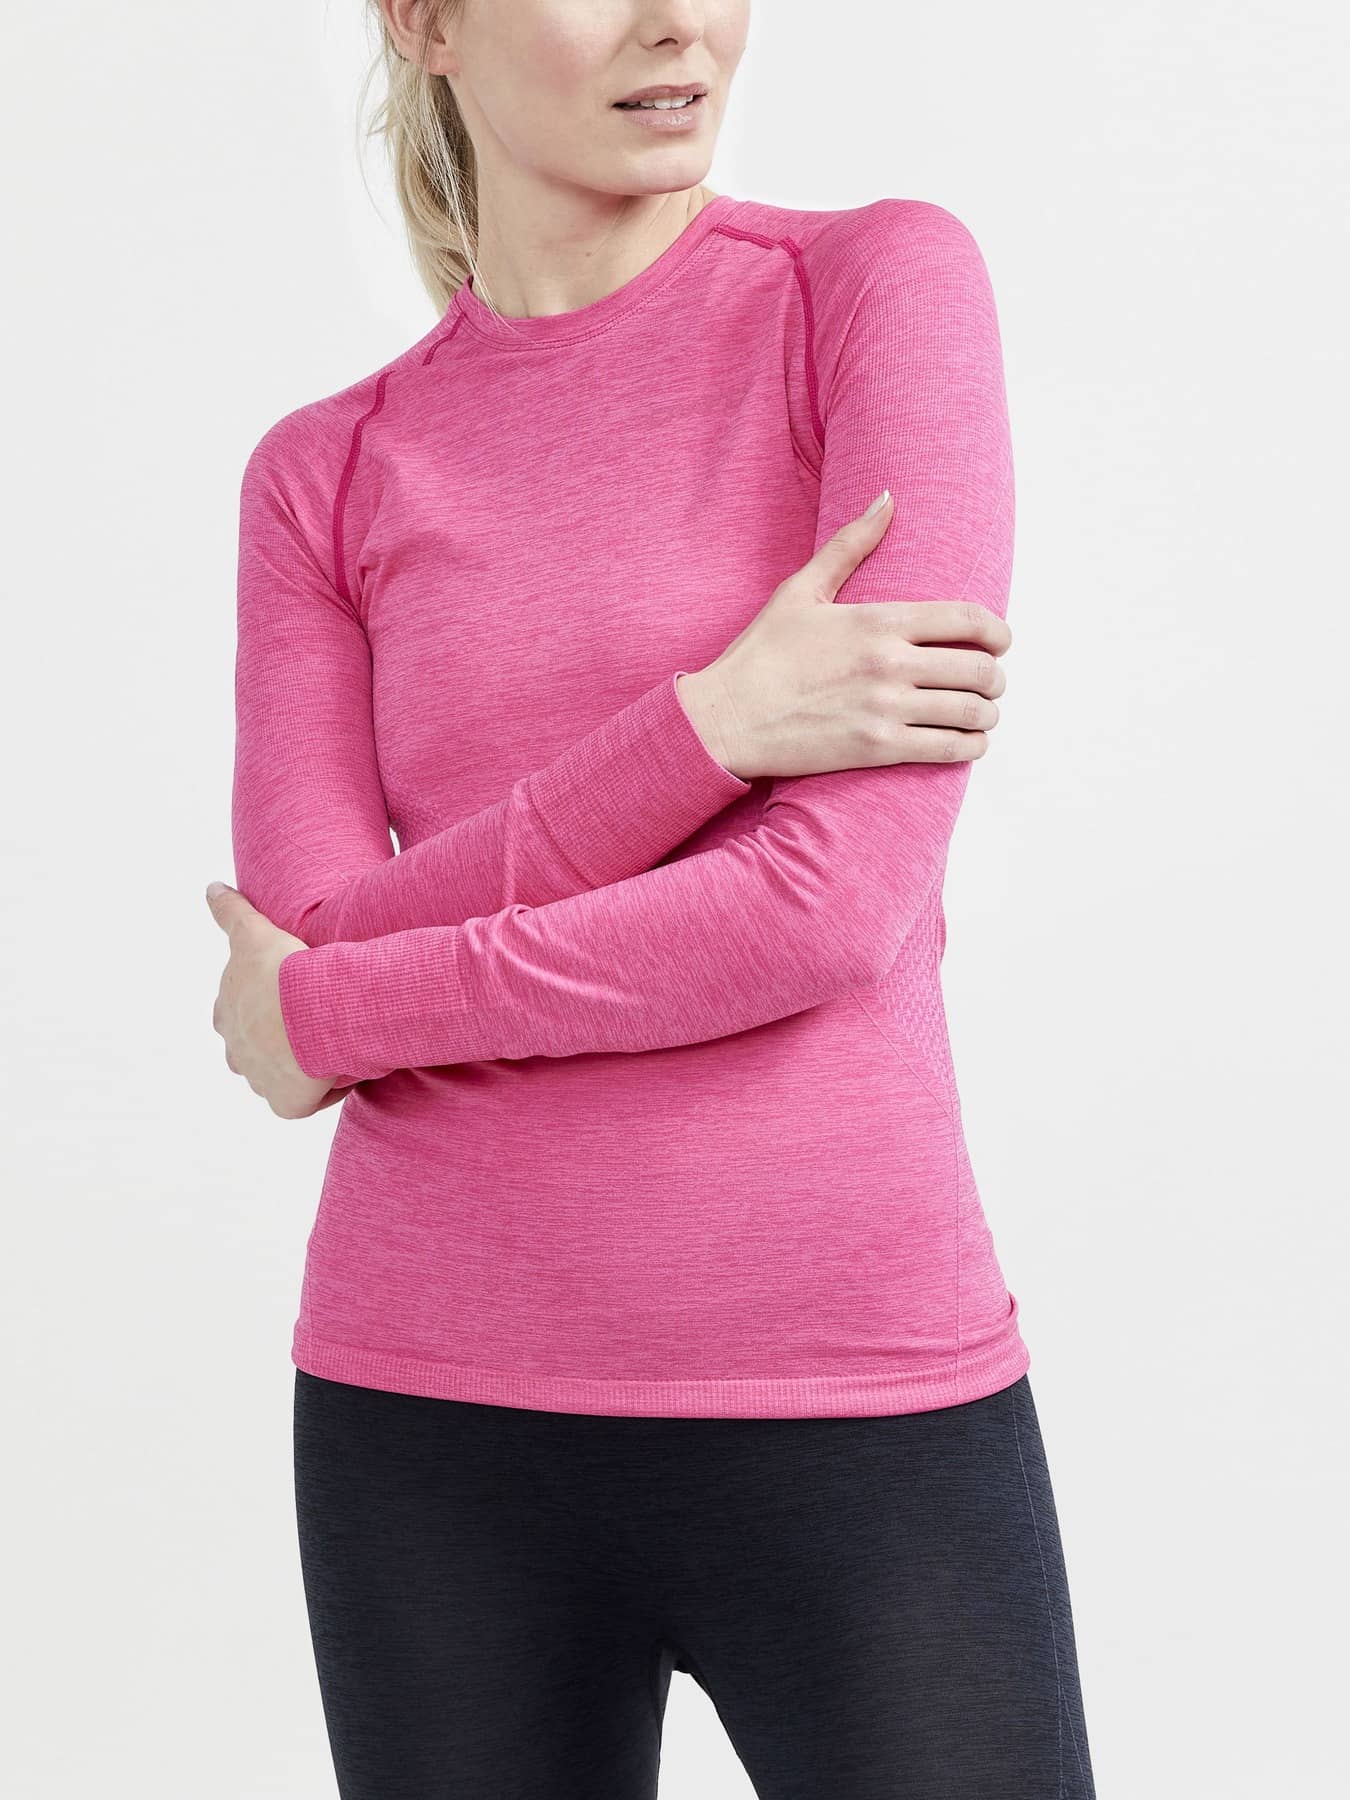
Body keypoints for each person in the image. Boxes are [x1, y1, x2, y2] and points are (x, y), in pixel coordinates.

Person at [208, 2, 1098, 1794]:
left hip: (852, 1404)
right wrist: (704, 733)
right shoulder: (326, 471)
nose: (677, 19)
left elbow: (820, 911)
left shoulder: (866, 291)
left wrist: (330, 1012)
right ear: (424, 21)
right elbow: (318, 916)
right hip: (424, 1419)